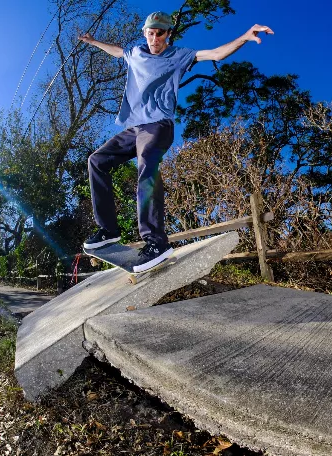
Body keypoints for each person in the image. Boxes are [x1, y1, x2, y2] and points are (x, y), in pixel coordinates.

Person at [79, 12, 274, 272]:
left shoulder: (178, 55)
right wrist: (93, 42)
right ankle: (108, 230)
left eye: (161, 33)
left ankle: (155, 241)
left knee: (147, 162)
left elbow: (215, 54)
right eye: (151, 32)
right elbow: (117, 51)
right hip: (135, 128)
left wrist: (245, 37)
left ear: (168, 35)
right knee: (97, 161)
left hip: (159, 125)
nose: (155, 38)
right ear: (145, 32)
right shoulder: (135, 53)